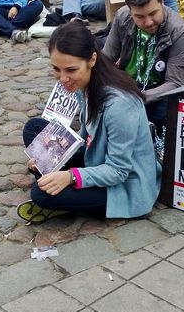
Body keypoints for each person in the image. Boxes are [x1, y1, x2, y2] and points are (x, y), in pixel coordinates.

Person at [17, 21, 161, 224]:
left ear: (92, 59)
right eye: (56, 69)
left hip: (126, 184)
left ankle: (62, 196)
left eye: (71, 70)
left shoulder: (119, 105)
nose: (63, 78)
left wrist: (70, 176)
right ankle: (54, 179)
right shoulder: (82, 86)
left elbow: (119, 171)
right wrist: (48, 158)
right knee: (34, 129)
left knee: (40, 194)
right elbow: (85, 139)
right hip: (96, 157)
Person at [102, 0, 184, 130]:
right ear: (129, 11)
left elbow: (176, 83)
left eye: (153, 13)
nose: (148, 22)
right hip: (128, 87)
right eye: (139, 16)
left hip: (159, 93)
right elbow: (105, 59)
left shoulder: (177, 29)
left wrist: (139, 97)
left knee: (169, 114)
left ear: (162, 1)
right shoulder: (122, 17)